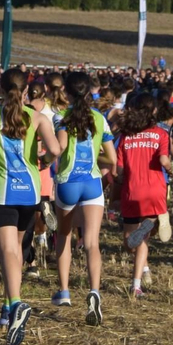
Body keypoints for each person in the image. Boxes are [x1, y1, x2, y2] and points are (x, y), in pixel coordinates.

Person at [0, 68, 61, 345]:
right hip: (30, 192)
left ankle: (17, 303)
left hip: (0, 192)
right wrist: (42, 163)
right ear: (25, 91)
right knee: (16, 253)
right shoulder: (38, 118)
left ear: (1, 88)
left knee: (7, 251)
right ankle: (8, 310)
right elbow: (55, 150)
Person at [50, 72, 116, 326]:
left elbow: (59, 150)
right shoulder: (100, 119)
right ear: (89, 92)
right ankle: (94, 291)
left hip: (67, 183)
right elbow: (112, 160)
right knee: (91, 243)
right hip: (92, 184)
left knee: (64, 237)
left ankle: (64, 291)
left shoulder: (61, 118)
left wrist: (43, 161)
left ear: (65, 93)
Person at [115, 93, 173, 299]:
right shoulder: (161, 134)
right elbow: (164, 160)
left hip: (132, 191)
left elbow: (118, 171)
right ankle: (136, 286)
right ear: (154, 111)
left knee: (130, 242)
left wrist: (120, 178)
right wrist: (170, 170)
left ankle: (141, 269)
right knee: (143, 240)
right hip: (155, 191)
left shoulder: (125, 136)